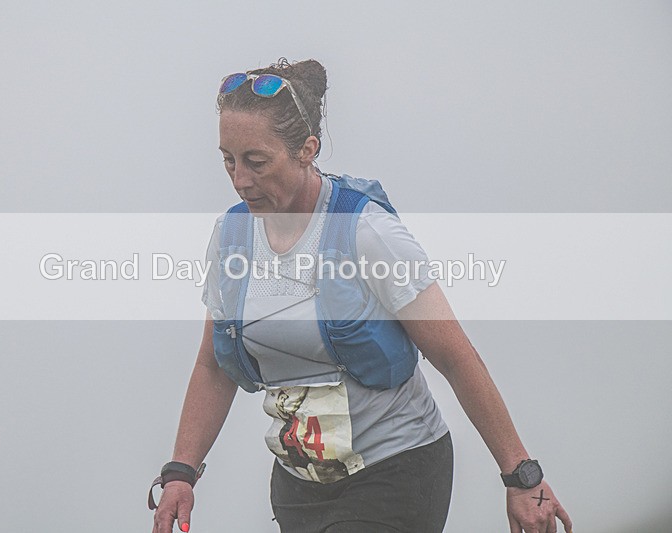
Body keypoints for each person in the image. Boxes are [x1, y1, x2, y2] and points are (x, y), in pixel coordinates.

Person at [150, 58, 572, 533]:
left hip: (398, 469)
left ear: (308, 149)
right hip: (298, 486)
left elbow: (456, 356)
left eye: (257, 161)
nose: (240, 179)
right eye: (228, 158)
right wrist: (181, 473)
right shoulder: (230, 237)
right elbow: (213, 367)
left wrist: (522, 477)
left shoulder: (367, 232)